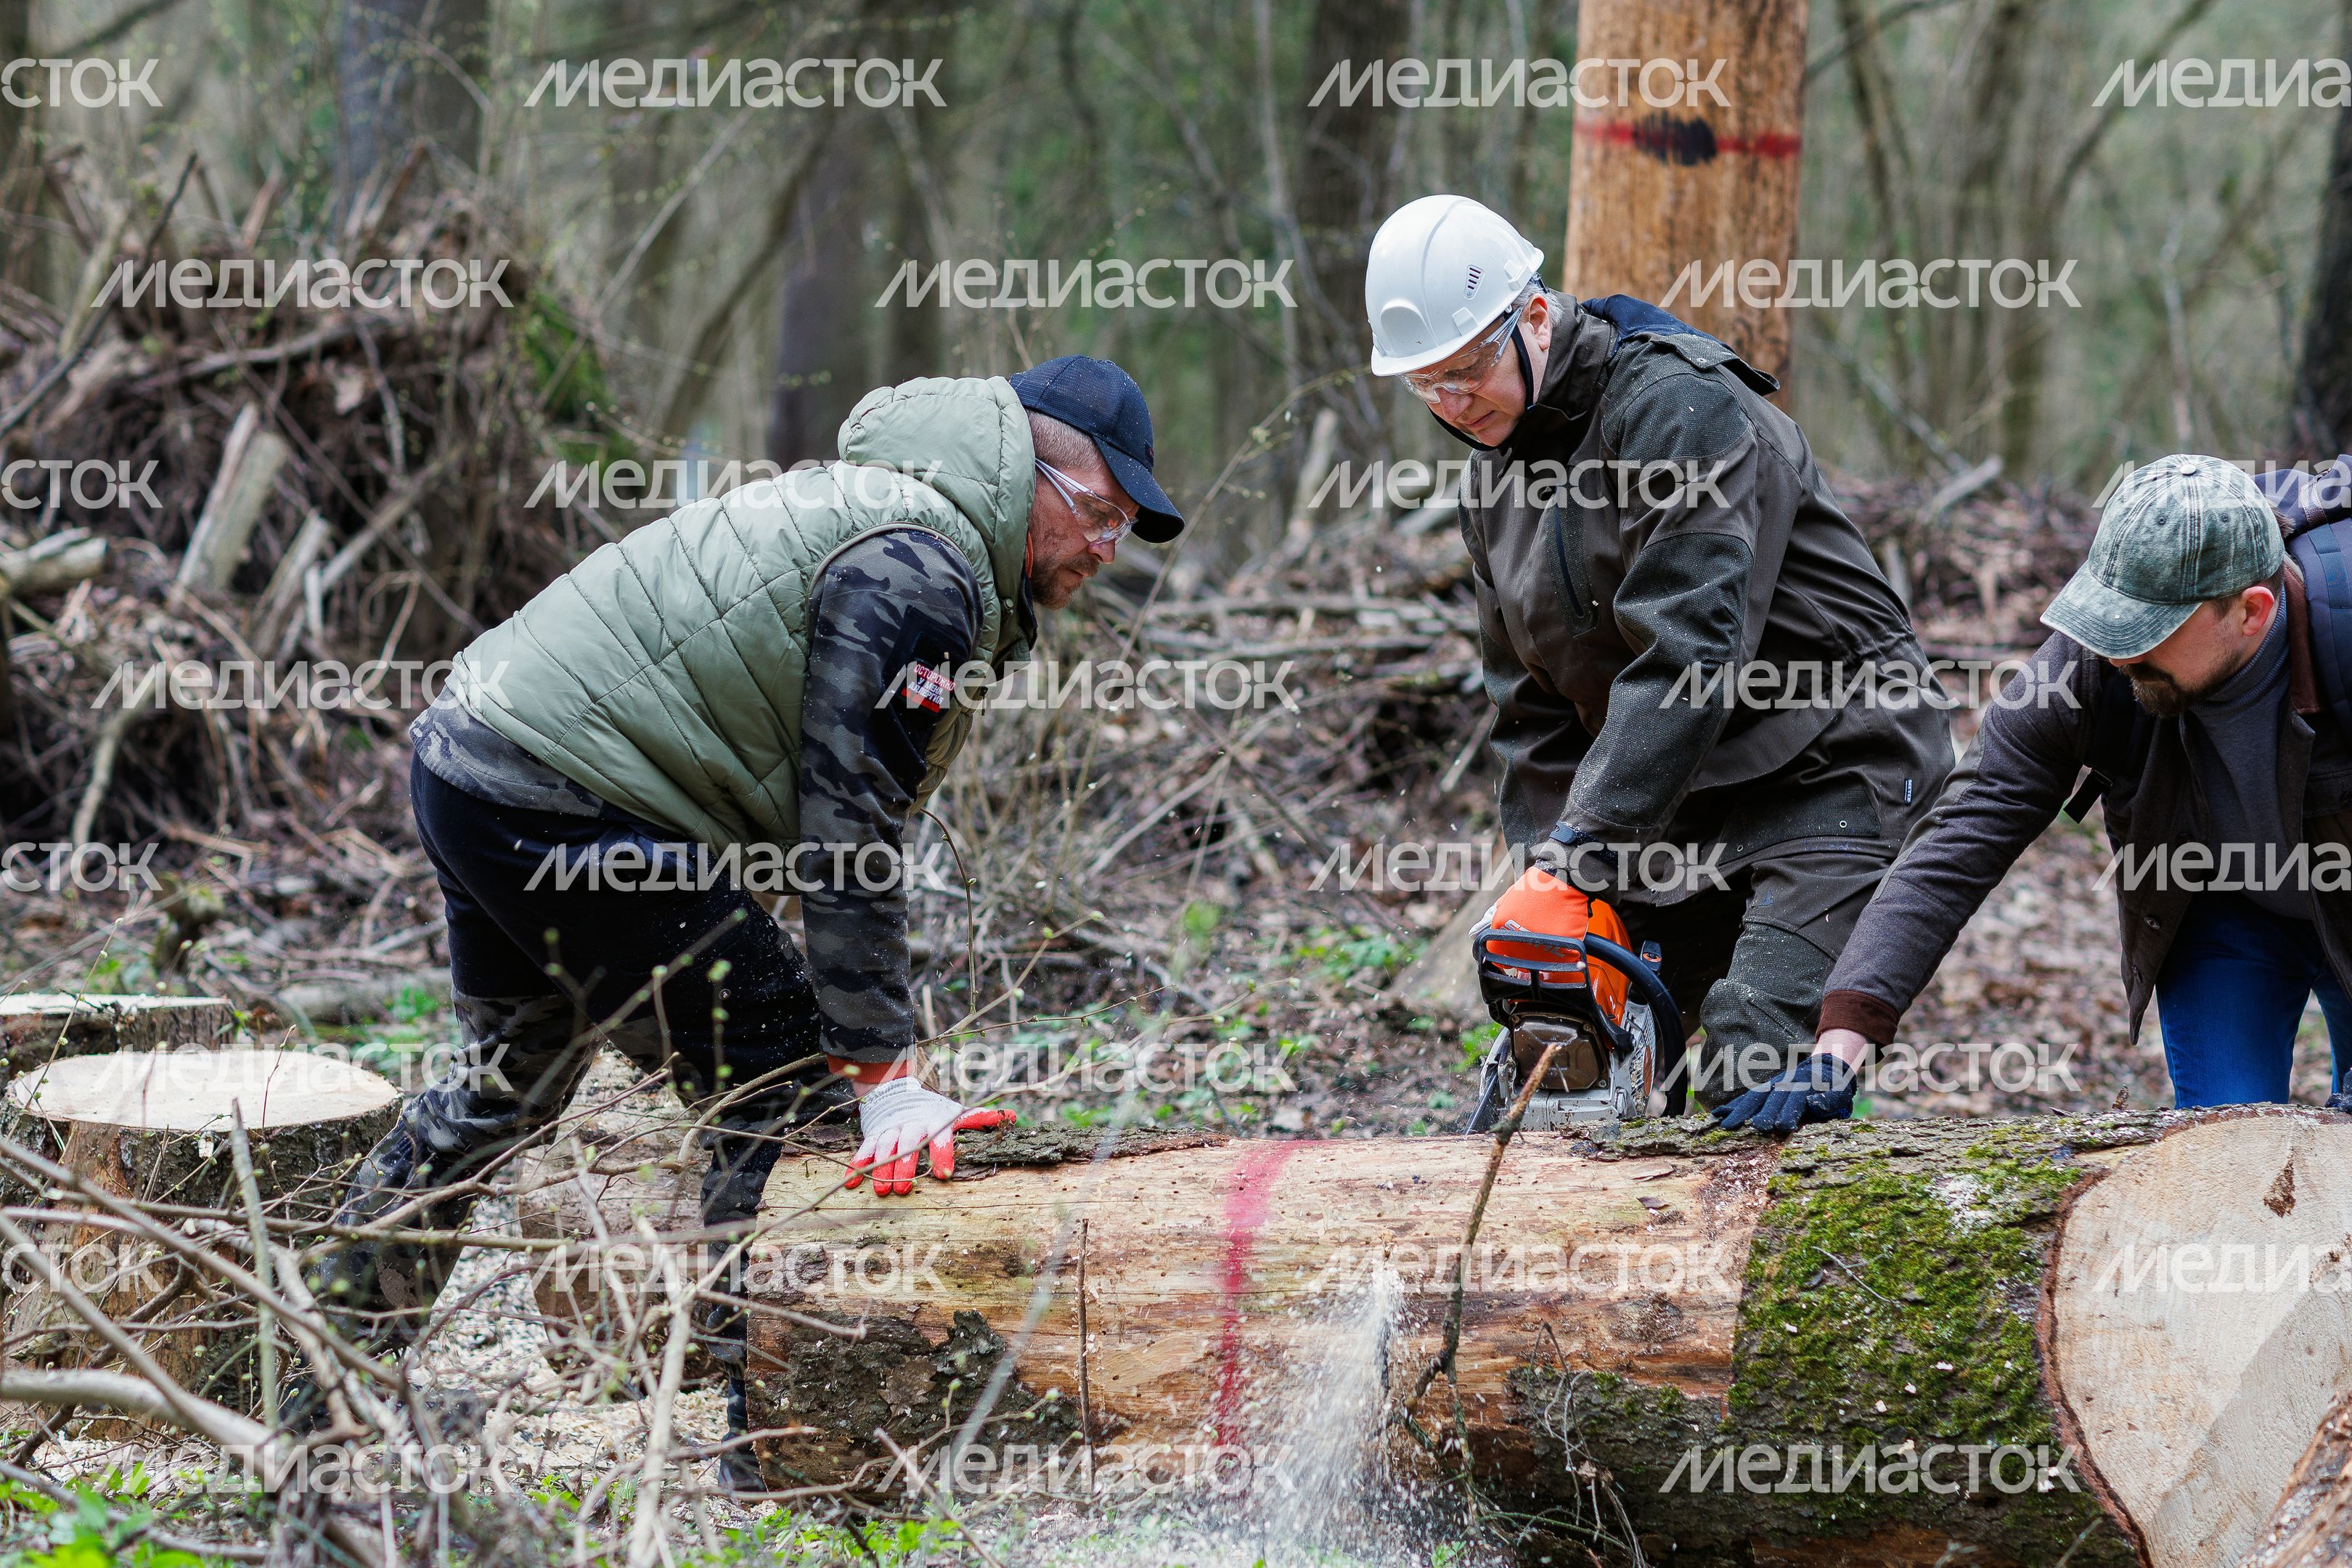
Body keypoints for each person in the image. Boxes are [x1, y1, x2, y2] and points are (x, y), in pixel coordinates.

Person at [309, 359, 1182, 1479]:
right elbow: (848, 830)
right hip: (562, 795)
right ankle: (775, 1440)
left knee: (503, 1090)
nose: (1106, 550)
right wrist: (882, 1075)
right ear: (1031, 476)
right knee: (778, 1081)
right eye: (1100, 513)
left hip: (479, 760)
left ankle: (316, 1392)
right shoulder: (922, 569)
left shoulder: (890, 517)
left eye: (1122, 529)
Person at [1361, 194, 1952, 1111]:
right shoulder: (1493, 480)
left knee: (1751, 1061)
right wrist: (1551, 880)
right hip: (1683, 798)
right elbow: (1531, 709)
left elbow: (1692, 652)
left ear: (1535, 315)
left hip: (1834, 766)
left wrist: (1580, 857)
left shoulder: (1678, 409)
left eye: (1468, 367)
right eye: (1425, 382)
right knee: (1598, 1072)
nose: (1451, 401)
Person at [1741, 454, 2352, 1131]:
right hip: (2224, 913)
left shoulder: (2341, 634)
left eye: (2146, 634)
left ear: (2251, 612)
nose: (2119, 656)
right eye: (2113, 624)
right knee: (2224, 1148)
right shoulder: (2092, 666)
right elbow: (1964, 831)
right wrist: (1840, 1045)